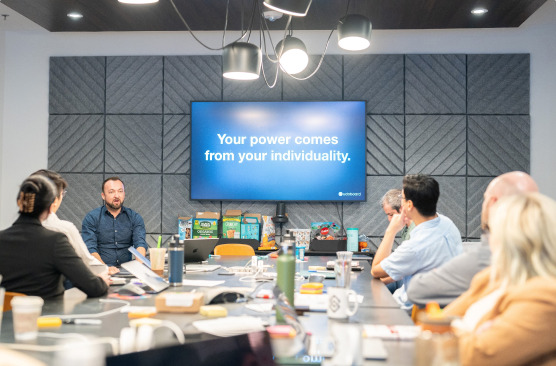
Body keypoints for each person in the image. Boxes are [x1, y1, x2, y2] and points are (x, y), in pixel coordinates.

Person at [444, 193, 556, 366]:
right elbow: (438, 321)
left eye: (492, 230)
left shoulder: (547, 297)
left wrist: (456, 328)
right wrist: (470, 333)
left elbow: (475, 356)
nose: (489, 239)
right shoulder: (492, 278)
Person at [407, 171, 538, 307]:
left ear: (492, 203)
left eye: (485, 198)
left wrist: (437, 274)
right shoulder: (544, 257)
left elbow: (416, 290)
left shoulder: (487, 258)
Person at [0, 175, 109, 298]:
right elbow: (95, 288)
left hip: (6, 315)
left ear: (19, 203)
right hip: (47, 316)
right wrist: (101, 280)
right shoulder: (55, 241)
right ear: (50, 205)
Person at [371, 174, 463, 310]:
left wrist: (390, 232)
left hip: (406, 312)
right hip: (442, 306)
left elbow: (375, 270)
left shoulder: (414, 246)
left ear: (409, 204)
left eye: (402, 198)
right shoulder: (447, 223)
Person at [33, 169, 108, 276]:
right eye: (62, 194)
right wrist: (106, 270)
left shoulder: (8, 235)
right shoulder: (64, 229)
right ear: (55, 199)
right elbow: (88, 262)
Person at [82, 177, 148, 273]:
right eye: (111, 192)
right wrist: (105, 269)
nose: (117, 195)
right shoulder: (92, 218)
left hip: (127, 271)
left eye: (120, 191)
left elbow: (140, 244)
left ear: (124, 194)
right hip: (100, 271)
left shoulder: (134, 217)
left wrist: (139, 267)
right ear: (103, 196)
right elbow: (90, 249)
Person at [381, 188, 415, 294]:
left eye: (391, 214)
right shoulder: (405, 228)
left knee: (378, 289)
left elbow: (404, 271)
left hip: (414, 281)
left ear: (402, 209)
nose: (389, 219)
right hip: (406, 277)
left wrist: (379, 281)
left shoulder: (415, 230)